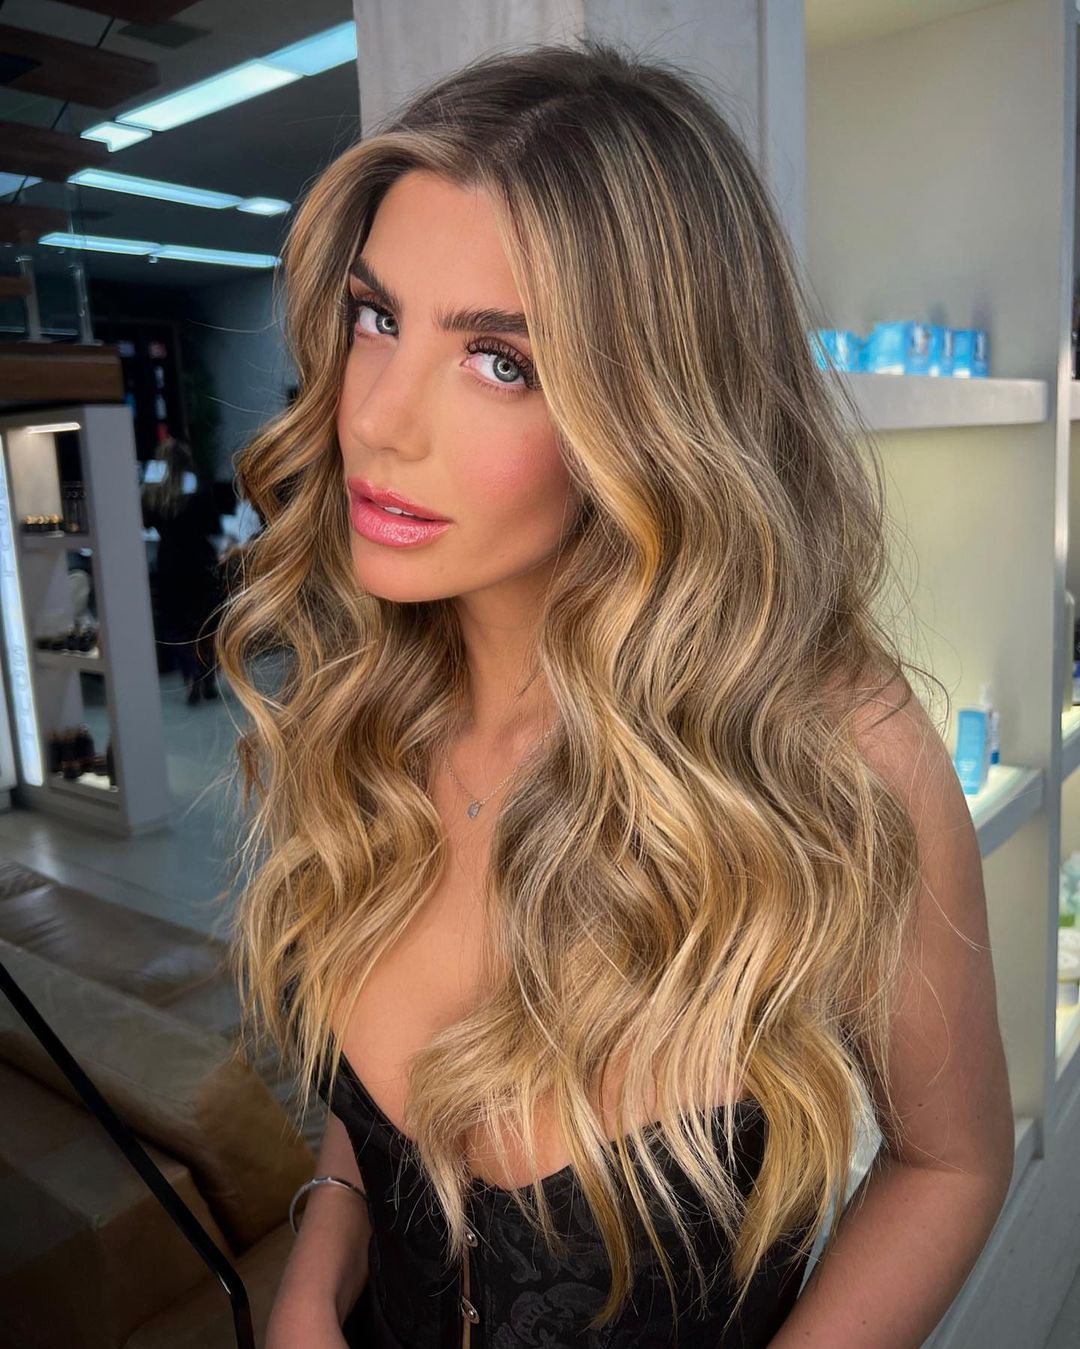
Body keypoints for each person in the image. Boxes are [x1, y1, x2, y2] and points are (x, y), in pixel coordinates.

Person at [214, 37, 1015, 1349]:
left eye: (501, 360)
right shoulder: (362, 707)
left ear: (655, 410)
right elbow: (381, 1108)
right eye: (377, 318)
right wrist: (312, 1278)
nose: (377, 420)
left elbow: (951, 1161)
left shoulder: (830, 753)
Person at [140, 437, 223, 705]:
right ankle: (208, 676)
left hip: (170, 562)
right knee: (207, 622)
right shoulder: (198, 488)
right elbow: (212, 525)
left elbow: (146, 521)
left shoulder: (154, 492)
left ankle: (190, 673)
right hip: (200, 560)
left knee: (174, 625)